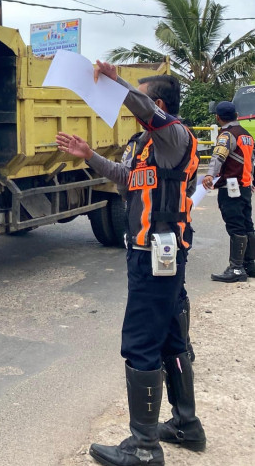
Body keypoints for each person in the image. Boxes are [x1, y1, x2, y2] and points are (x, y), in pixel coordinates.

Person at [56, 62, 205, 466]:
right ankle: (185, 425)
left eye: (137, 99)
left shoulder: (175, 137)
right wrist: (89, 156)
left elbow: (141, 107)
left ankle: (143, 447)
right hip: (153, 255)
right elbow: (125, 179)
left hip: (156, 256)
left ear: (156, 105)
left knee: (141, 343)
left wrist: (116, 83)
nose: (128, 106)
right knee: (172, 337)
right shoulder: (143, 146)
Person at [202, 101, 255, 282]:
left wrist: (209, 175)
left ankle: (237, 268)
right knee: (247, 224)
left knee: (235, 225)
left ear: (218, 117)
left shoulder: (227, 135)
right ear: (237, 115)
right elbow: (250, 161)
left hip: (231, 188)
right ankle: (250, 264)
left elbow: (218, 156)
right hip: (245, 187)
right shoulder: (246, 135)